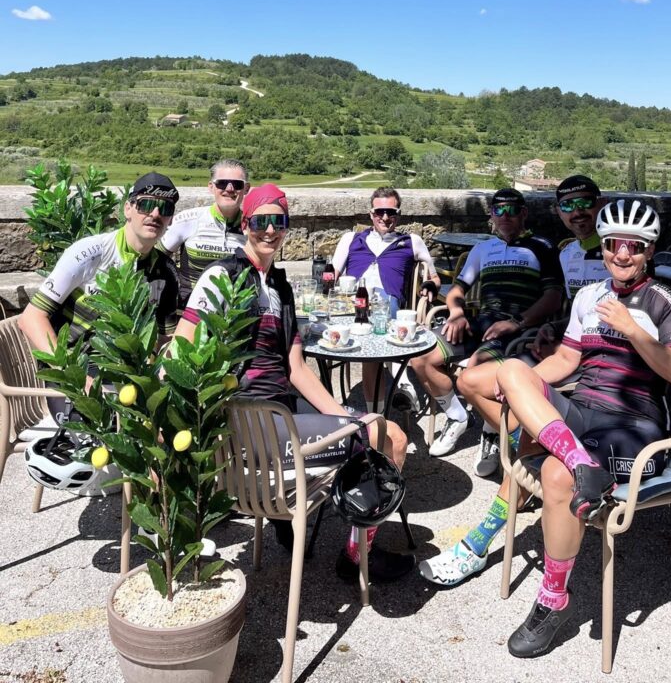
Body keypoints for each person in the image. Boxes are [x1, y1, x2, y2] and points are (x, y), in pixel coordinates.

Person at [429, 201, 671, 658]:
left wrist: (633, 330)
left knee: (554, 473)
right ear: (604, 247)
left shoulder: (664, 302)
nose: (623, 254)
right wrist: (523, 388)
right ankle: (578, 462)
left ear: (649, 251)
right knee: (512, 370)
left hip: (634, 428)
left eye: (635, 246)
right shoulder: (590, 296)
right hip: (582, 413)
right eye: (614, 244)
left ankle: (553, 599)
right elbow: (568, 359)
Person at [174, 183, 415, 584]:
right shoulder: (221, 276)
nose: (270, 230)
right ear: (245, 225)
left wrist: (351, 420)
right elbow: (182, 345)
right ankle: (356, 555)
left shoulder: (280, 288)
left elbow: (297, 369)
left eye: (278, 221)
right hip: (253, 428)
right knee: (392, 439)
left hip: (279, 417)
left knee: (376, 429)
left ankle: (333, 537)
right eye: (260, 221)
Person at [462, 174, 609, 477]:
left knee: (491, 378)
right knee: (470, 380)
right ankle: (531, 444)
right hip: (564, 349)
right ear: (558, 212)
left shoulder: (618, 251)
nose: (577, 211)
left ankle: (533, 452)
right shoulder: (567, 254)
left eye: (585, 203)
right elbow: (576, 311)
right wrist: (553, 329)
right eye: (568, 205)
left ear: (601, 204)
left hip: (599, 360)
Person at [410, 188, 562, 457]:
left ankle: (492, 430)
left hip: (521, 328)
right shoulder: (483, 249)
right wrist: (457, 313)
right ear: (491, 214)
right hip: (481, 322)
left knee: (476, 368)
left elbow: (553, 297)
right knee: (420, 355)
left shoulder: (542, 247)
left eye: (512, 210)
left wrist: (517, 322)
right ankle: (457, 416)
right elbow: (457, 291)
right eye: (498, 210)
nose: (505, 215)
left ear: (524, 213)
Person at [19, 172, 180, 423]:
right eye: (146, 204)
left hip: (127, 374)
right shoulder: (90, 253)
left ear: (170, 219)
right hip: (77, 366)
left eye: (165, 208)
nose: (156, 214)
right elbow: (31, 318)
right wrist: (74, 376)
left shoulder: (166, 272)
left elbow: (165, 339)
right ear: (128, 209)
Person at [330, 187, 440, 408]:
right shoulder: (351, 239)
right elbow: (331, 275)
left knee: (375, 337)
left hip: (387, 308)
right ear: (371, 214)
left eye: (391, 212)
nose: (385, 217)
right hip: (352, 307)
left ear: (398, 214)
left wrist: (430, 285)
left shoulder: (411, 241)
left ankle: (378, 413)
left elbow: (435, 278)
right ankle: (401, 386)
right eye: (379, 212)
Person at [159, 159, 249, 307]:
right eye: (222, 183)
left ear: (246, 188)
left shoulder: (253, 226)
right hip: (189, 309)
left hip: (234, 312)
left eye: (237, 184)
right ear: (211, 187)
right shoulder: (188, 219)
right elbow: (156, 258)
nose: (230, 188)